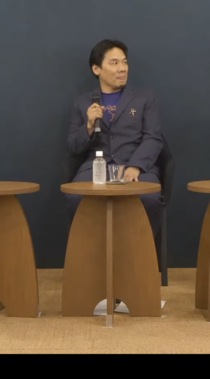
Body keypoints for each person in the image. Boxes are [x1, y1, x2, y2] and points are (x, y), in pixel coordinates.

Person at [64, 39, 165, 257]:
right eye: (114, 63)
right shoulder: (82, 103)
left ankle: (140, 256)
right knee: (75, 197)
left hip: (136, 165)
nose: (122, 68)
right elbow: (73, 145)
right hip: (96, 167)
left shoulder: (144, 98)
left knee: (149, 198)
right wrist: (88, 126)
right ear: (97, 69)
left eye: (124, 62)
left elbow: (153, 137)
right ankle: (90, 257)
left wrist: (136, 166)